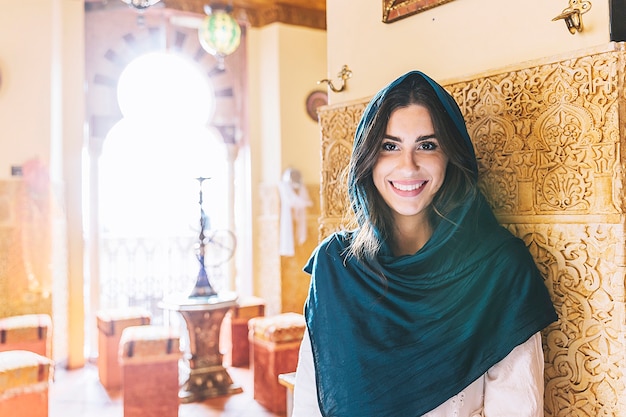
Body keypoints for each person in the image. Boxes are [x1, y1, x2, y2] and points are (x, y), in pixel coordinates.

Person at [292, 71, 558, 417]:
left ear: (451, 155)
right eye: (390, 146)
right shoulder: (336, 266)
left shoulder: (499, 270)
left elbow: (517, 407)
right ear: (368, 159)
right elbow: (310, 402)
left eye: (427, 145)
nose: (408, 165)